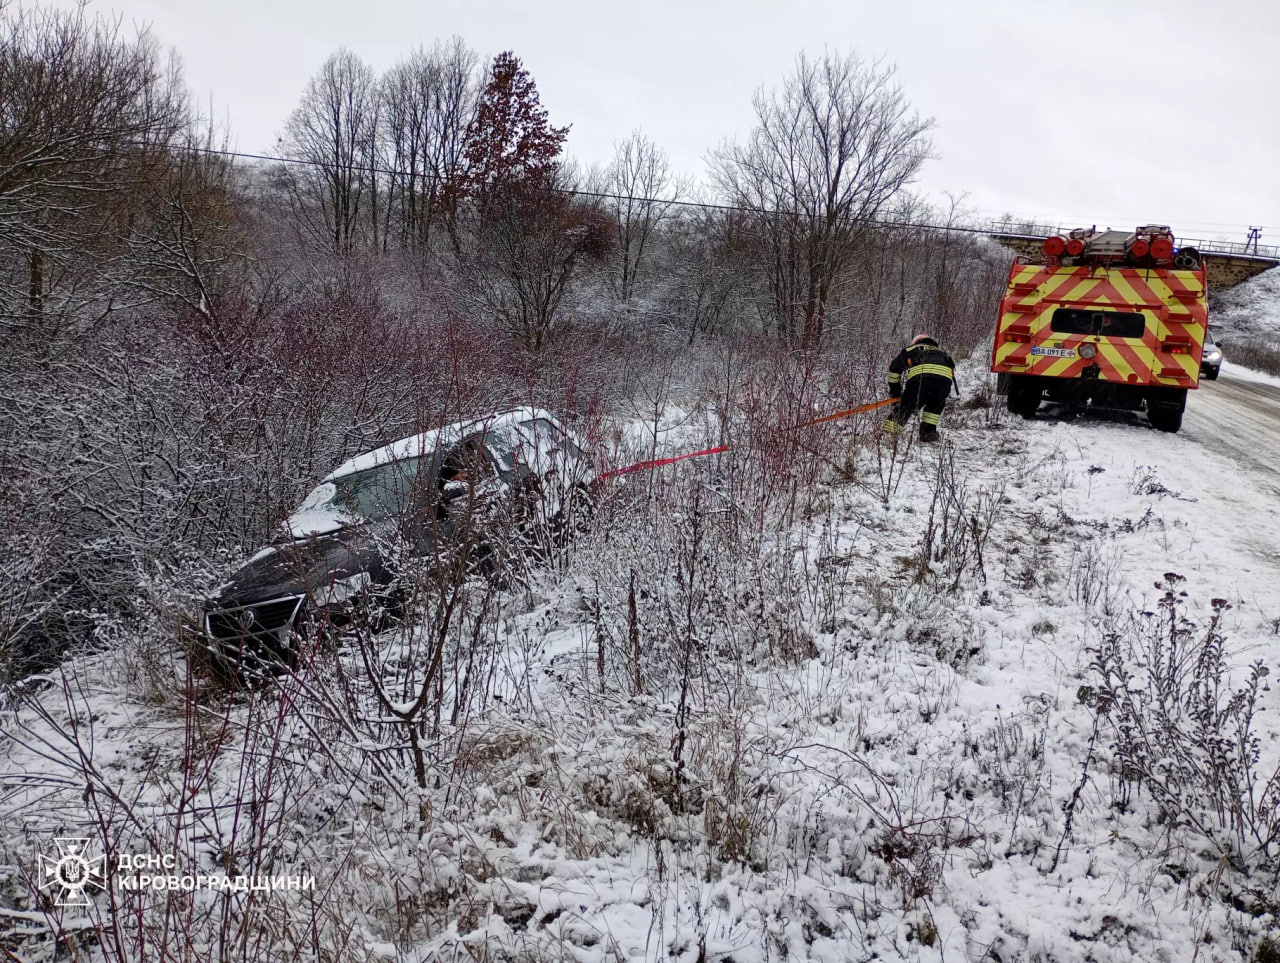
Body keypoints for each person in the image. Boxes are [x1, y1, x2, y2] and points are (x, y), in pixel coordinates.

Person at [883, 334, 957, 443]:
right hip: (944, 381)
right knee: (934, 407)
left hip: (922, 379)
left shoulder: (912, 349)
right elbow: (951, 367)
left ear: (917, 342)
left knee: (906, 406)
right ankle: (929, 433)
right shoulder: (943, 353)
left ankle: (887, 435)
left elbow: (894, 369)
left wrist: (896, 392)